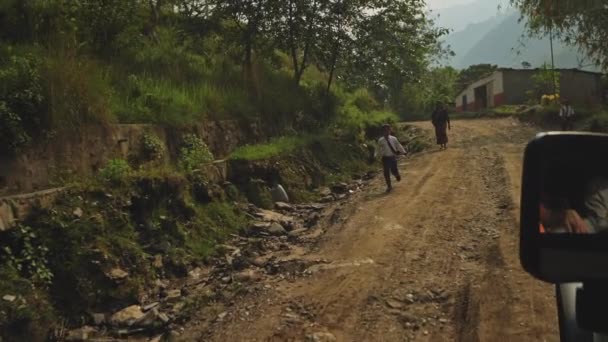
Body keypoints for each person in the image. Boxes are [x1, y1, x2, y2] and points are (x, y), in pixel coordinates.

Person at [377, 124, 406, 193]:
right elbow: (378, 149)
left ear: (390, 131)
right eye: (385, 131)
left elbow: (398, 145)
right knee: (386, 172)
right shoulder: (380, 141)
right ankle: (389, 186)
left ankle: (397, 175)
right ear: (382, 132)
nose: (386, 132)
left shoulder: (393, 138)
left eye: (388, 130)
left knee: (394, 170)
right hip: (385, 158)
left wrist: (403, 152)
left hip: (392, 157)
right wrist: (376, 156)